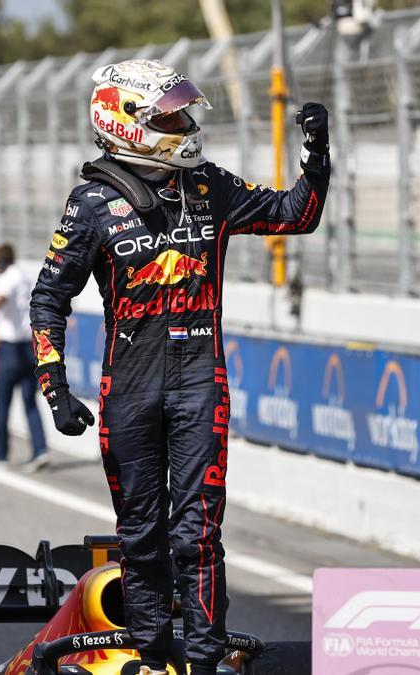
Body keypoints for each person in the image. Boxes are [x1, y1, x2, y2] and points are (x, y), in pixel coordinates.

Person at [29, 59, 329, 675]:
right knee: (139, 533)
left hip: (200, 381)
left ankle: (201, 657)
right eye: (170, 114)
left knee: (196, 535)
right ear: (128, 122)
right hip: (129, 388)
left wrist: (317, 156)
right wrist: (55, 388)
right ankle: (148, 650)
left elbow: (296, 215)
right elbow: (48, 298)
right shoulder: (90, 202)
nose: (186, 122)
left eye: (184, 111)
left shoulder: (210, 186)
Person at [0, 244, 48, 472]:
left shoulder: (8, 278)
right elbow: (18, 312)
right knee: (30, 402)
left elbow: (0, 299)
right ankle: (40, 450)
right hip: (28, 347)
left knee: (3, 403)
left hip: (11, 351)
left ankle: (0, 455)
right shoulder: (24, 277)